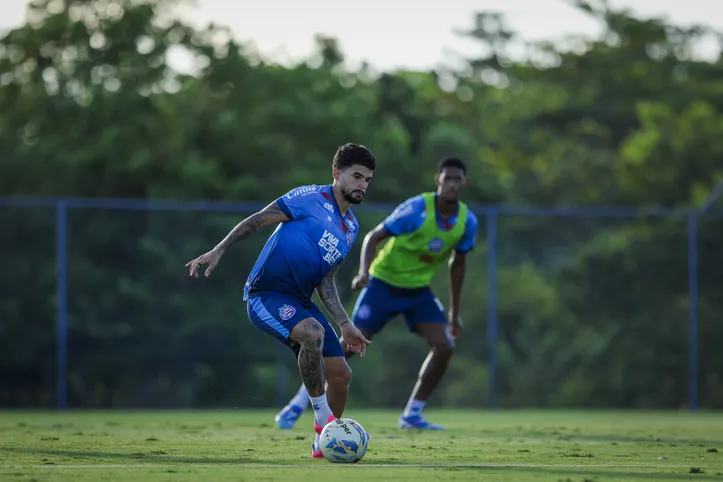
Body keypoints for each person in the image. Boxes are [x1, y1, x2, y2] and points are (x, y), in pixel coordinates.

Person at [185, 143, 376, 457]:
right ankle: (322, 421)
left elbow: (325, 280)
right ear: (336, 173)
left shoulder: (351, 227)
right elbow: (258, 220)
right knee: (312, 333)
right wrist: (219, 249)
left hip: (301, 300)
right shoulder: (309, 198)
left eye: (367, 180)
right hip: (266, 295)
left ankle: (325, 445)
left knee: (342, 375)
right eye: (357, 176)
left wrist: (345, 323)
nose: (362, 184)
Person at [275, 156, 478, 431]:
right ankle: (298, 405)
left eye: (457, 179)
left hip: (418, 291)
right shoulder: (417, 209)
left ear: (464, 183)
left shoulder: (467, 221)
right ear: (438, 180)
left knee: (444, 345)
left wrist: (455, 314)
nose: (452, 184)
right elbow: (374, 236)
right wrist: (364, 272)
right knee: (347, 346)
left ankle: (412, 415)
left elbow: (458, 265)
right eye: (447, 178)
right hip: (383, 284)